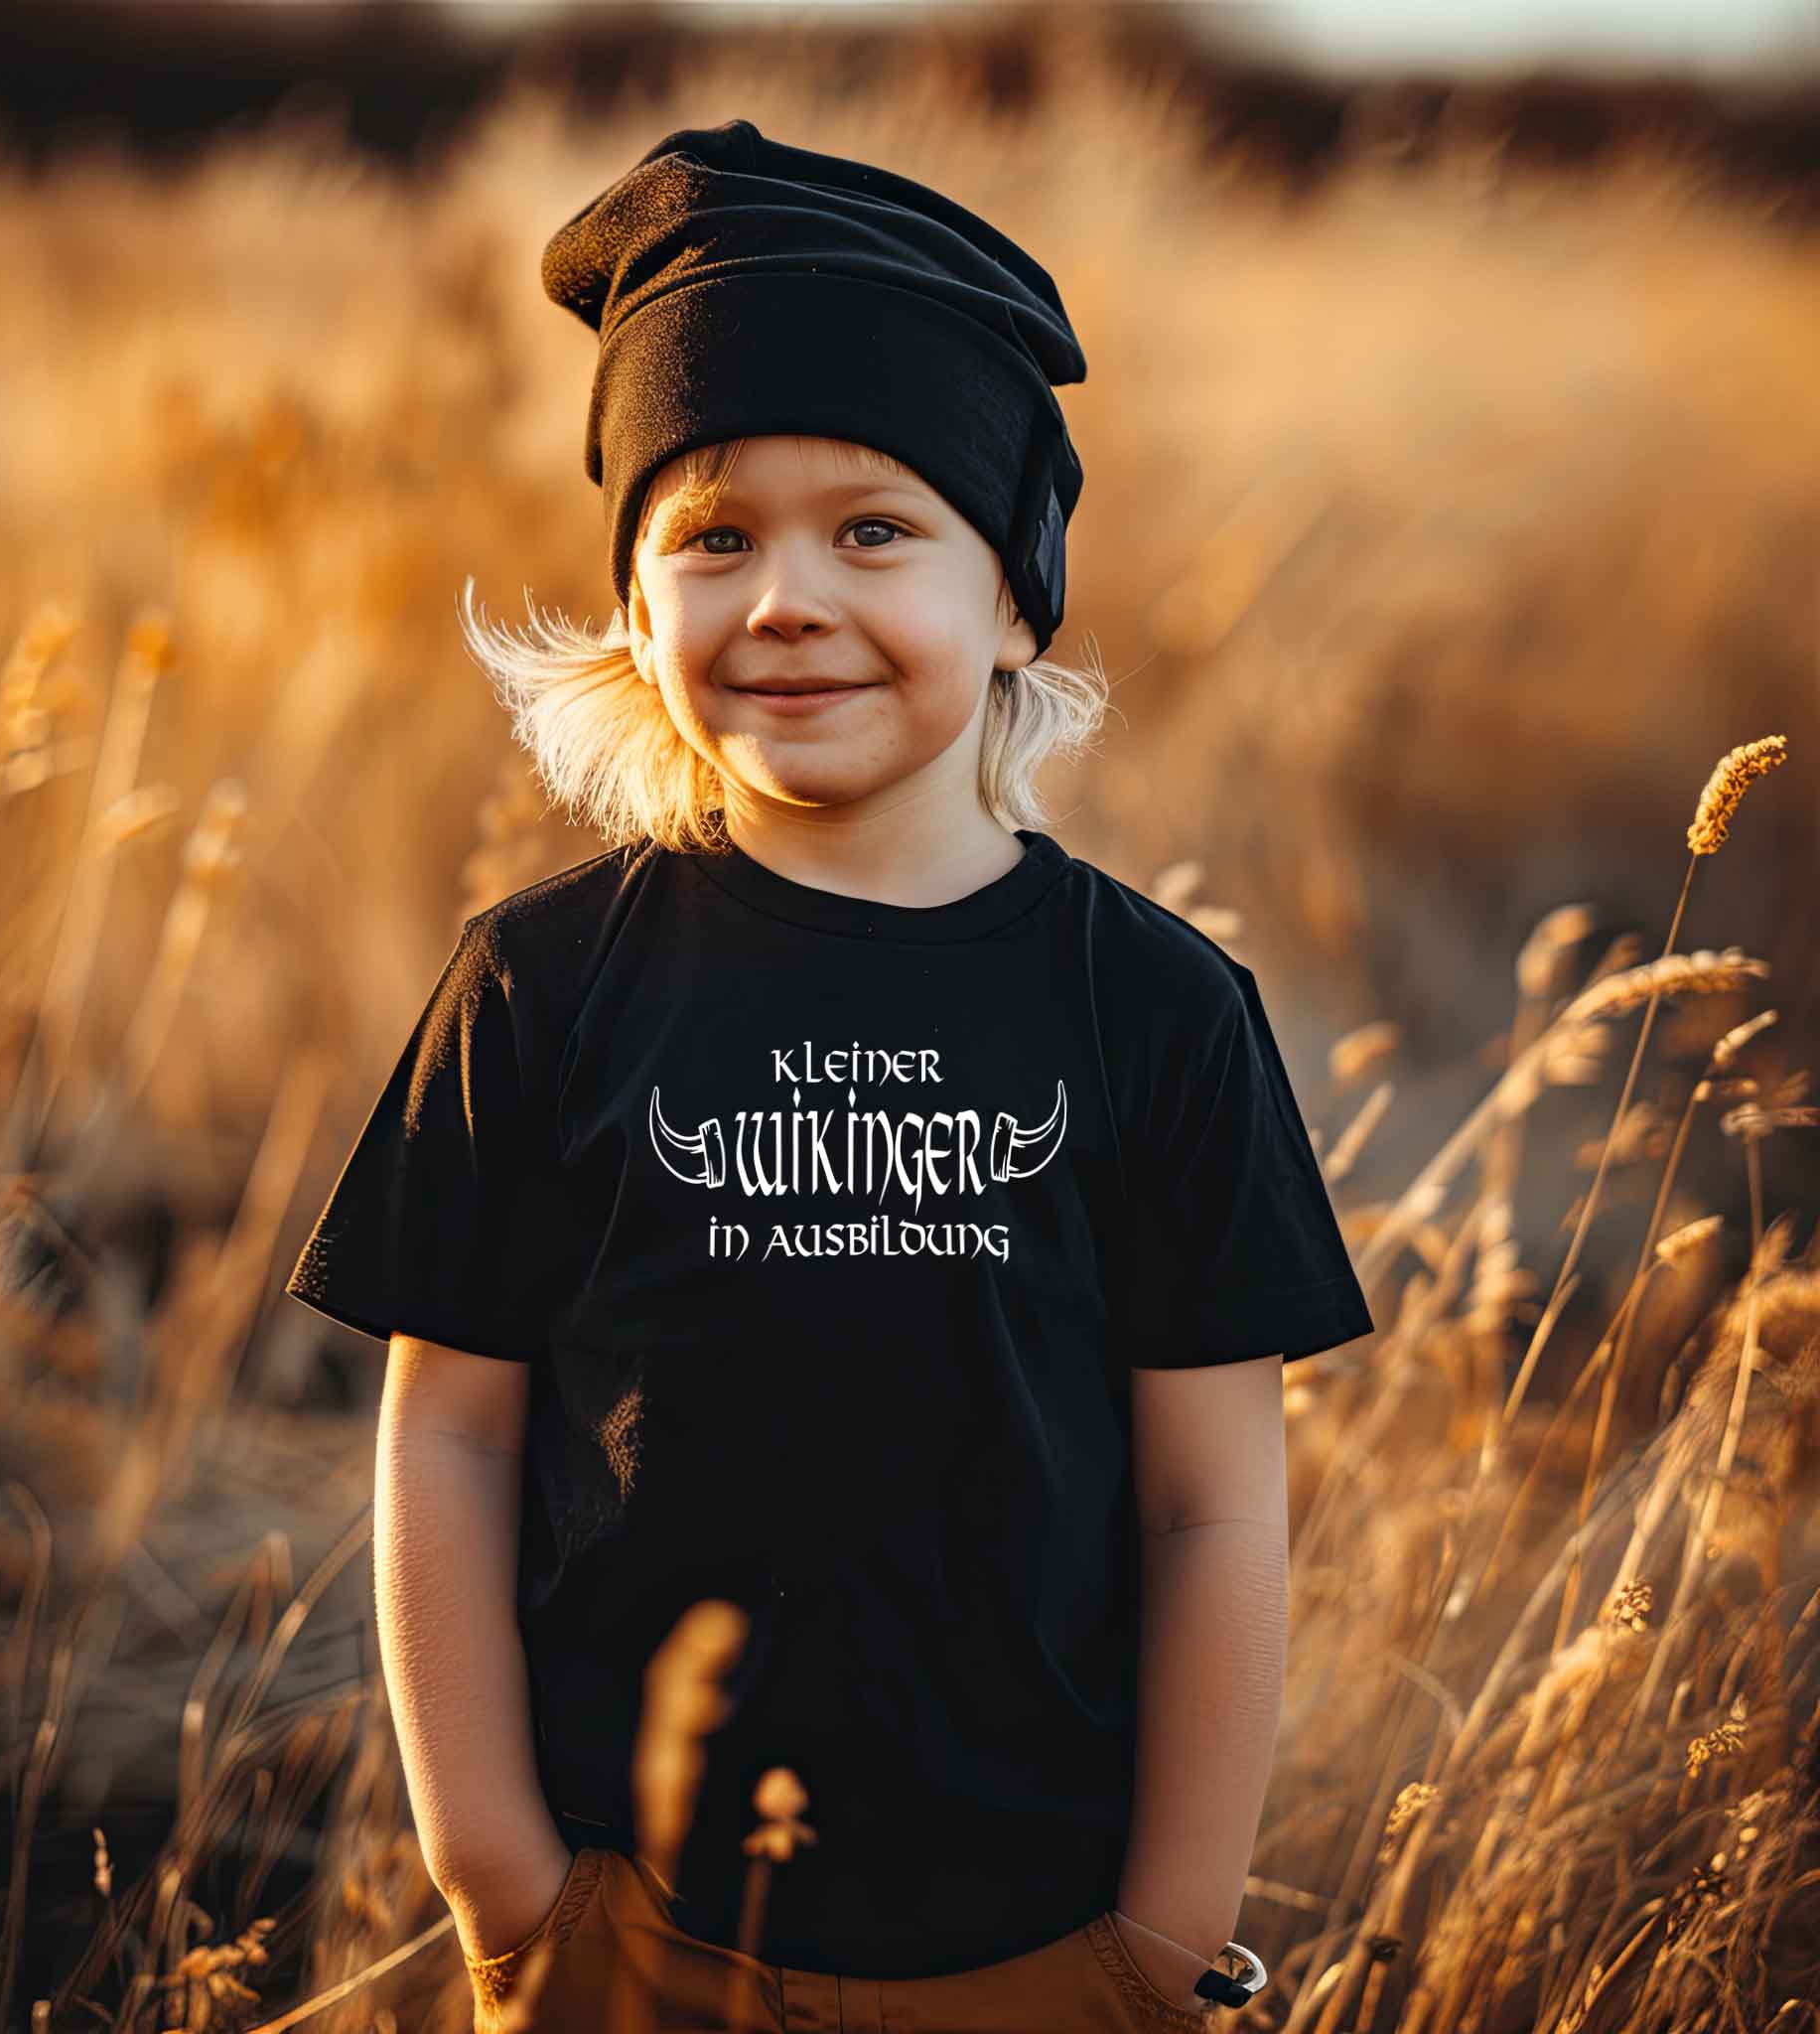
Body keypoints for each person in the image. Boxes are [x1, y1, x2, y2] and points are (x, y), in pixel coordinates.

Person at [283, 117, 1374, 2033]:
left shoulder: (1158, 1009)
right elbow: (447, 1431)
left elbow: (1216, 1508)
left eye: (876, 527)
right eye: (711, 537)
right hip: (636, 1937)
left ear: (1015, 588)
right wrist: (504, 1884)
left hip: (1043, 1946)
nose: (786, 597)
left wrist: (1157, 1946)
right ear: (634, 607)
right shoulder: (541, 984)